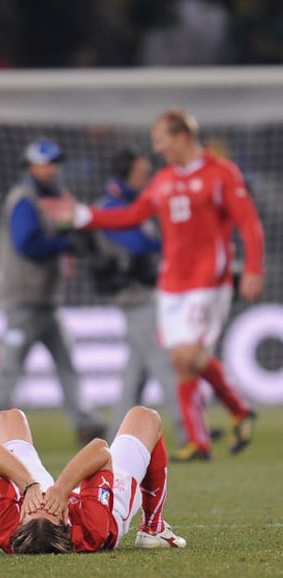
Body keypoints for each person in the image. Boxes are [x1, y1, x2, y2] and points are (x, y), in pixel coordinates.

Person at [41, 108, 264, 462]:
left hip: (208, 280)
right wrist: (83, 215)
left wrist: (253, 267)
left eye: (161, 141)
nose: (158, 150)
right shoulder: (163, 181)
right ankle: (200, 440)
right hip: (171, 282)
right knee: (181, 363)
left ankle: (236, 409)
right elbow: (131, 215)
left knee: (186, 355)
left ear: (182, 137)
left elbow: (249, 224)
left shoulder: (221, 174)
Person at [0, 138, 106, 448]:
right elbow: (27, 245)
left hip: (45, 301)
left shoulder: (57, 197)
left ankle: (85, 422)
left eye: (53, 163)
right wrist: (66, 242)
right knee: (10, 367)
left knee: (65, 360)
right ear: (29, 166)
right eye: (44, 163)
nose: (50, 170)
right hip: (22, 300)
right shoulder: (24, 199)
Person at [79, 146, 186, 445]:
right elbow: (139, 246)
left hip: (144, 292)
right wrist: (171, 243)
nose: (147, 178)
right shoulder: (112, 206)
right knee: (162, 359)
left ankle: (117, 433)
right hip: (133, 294)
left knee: (137, 368)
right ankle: (187, 428)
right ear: (126, 174)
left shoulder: (131, 204)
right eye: (142, 173)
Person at [0, 405, 186, 554]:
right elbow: (100, 450)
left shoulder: (6, 526)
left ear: (19, 522)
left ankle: (18, 538)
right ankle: (153, 528)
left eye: (34, 508)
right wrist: (62, 489)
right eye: (49, 508)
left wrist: (30, 486)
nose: (43, 500)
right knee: (146, 417)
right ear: (64, 520)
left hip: (33, 502)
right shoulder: (92, 528)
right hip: (107, 512)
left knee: (7, 418)